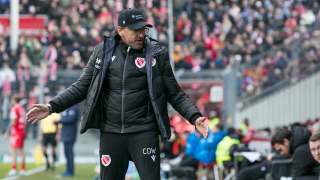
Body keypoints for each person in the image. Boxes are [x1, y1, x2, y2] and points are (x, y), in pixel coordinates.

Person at [26, 8, 208, 180]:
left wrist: (194, 117)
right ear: (120, 30)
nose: (141, 34)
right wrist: (52, 107)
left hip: (144, 131)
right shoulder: (102, 52)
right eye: (135, 30)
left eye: (143, 29)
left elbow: (175, 93)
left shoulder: (157, 54)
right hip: (111, 132)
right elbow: (81, 87)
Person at [3, 94, 27, 176]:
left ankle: (14, 169)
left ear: (14, 100)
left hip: (17, 131)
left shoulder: (14, 108)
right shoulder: (22, 108)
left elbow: (13, 122)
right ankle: (22, 169)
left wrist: (7, 131)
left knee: (13, 150)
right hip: (22, 130)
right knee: (21, 151)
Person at [55, 105, 78, 177]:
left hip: (70, 133)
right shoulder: (65, 108)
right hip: (65, 133)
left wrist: (59, 121)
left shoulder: (73, 107)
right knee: (66, 153)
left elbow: (70, 119)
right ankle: (68, 170)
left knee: (69, 153)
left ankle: (70, 171)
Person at [39, 97, 61, 171]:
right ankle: (48, 163)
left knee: (53, 150)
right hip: (45, 133)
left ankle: (53, 165)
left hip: (53, 133)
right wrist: (41, 135)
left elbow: (59, 125)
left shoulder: (55, 113)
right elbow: (42, 126)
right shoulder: (44, 114)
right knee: (44, 150)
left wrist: (58, 134)